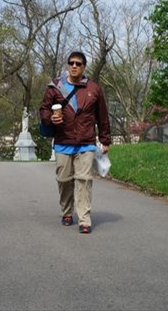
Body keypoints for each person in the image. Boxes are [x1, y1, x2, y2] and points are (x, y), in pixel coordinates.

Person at [39, 51, 111, 234]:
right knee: (64, 180)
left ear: (84, 67)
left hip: (86, 142)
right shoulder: (55, 87)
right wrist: (49, 119)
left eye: (78, 63)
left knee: (84, 180)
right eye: (71, 63)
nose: (74, 66)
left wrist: (105, 139)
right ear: (67, 65)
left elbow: (102, 116)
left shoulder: (94, 89)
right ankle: (67, 210)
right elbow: (44, 110)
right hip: (63, 141)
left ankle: (84, 219)